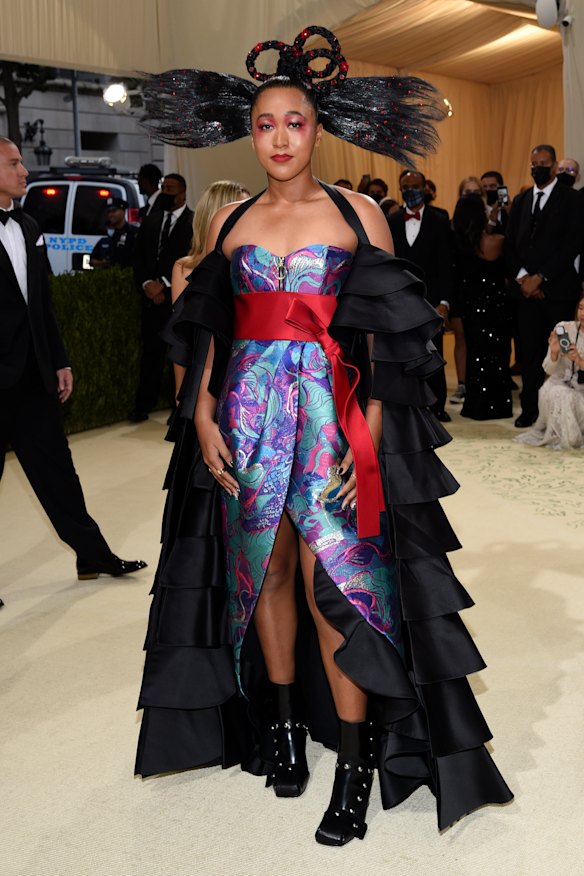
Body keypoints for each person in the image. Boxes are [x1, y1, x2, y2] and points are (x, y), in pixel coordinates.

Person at [135, 26, 512, 845]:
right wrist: (200, 413)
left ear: (318, 128)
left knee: (333, 584)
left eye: (294, 123)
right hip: (243, 418)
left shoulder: (359, 213)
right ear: (252, 130)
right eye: (266, 123)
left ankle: (354, 764)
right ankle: (279, 727)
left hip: (331, 420)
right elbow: (208, 332)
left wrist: (369, 433)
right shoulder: (229, 220)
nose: (279, 138)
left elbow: (386, 338)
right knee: (262, 574)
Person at [0, 137, 147, 609]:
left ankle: (92, 555)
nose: (24, 171)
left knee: (58, 472)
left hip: (33, 376)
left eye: (22, 162)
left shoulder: (26, 225)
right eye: (14, 163)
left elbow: (42, 304)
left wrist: (59, 359)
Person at [505, 144, 581, 428]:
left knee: (563, 352)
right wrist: (524, 277)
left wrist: (542, 276)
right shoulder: (522, 199)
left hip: (558, 292)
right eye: (533, 163)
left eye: (544, 163)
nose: (538, 168)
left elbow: (572, 242)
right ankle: (530, 410)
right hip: (525, 295)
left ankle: (564, 414)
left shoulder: (571, 200)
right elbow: (510, 244)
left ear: (554, 166)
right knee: (528, 352)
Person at [170, 180, 250, 396]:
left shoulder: (254, 269)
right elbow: (181, 337)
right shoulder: (184, 268)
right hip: (202, 380)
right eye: (244, 210)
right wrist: (181, 393)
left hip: (247, 374)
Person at [388, 169, 453, 421]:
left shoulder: (440, 220)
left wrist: (445, 302)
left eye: (415, 186)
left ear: (425, 188)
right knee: (402, 354)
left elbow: (447, 265)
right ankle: (407, 405)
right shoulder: (391, 221)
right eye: (405, 186)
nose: (410, 191)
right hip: (400, 301)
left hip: (432, 301)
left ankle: (437, 405)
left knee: (434, 352)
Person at [130, 173, 194, 422]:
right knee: (150, 355)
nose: (166, 193)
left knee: (177, 356)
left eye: (172, 189)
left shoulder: (193, 222)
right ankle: (142, 406)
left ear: (184, 192)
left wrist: (165, 285)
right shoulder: (151, 220)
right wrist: (147, 284)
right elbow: (138, 257)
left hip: (178, 301)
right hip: (150, 301)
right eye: (164, 188)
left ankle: (176, 408)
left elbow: (191, 258)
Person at [451, 195, 512, 420]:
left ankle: (476, 404)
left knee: (476, 354)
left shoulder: (456, 241)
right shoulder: (494, 241)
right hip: (495, 305)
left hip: (470, 306)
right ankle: (498, 405)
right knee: (496, 354)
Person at [514, 294, 584, 449]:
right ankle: (559, 435)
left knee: (561, 394)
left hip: (581, 391)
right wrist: (553, 353)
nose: (583, 313)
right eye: (580, 308)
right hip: (560, 383)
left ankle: (570, 437)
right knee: (551, 390)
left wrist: (579, 361)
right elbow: (548, 369)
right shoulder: (565, 328)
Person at [89, 197, 137, 269]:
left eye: (114, 211)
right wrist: (103, 263)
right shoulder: (108, 237)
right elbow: (92, 260)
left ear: (123, 211)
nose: (110, 215)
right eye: (109, 212)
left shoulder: (133, 233)